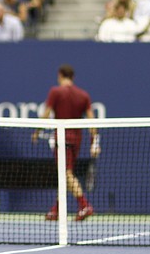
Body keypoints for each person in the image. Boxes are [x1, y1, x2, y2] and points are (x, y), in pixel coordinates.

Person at [32, 64, 100, 221]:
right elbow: (91, 121)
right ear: (73, 77)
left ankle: (84, 205)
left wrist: (36, 132)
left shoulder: (55, 92)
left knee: (67, 174)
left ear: (60, 75)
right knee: (64, 174)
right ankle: (56, 209)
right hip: (76, 140)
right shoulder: (83, 95)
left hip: (62, 139)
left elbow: (46, 114)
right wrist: (94, 142)